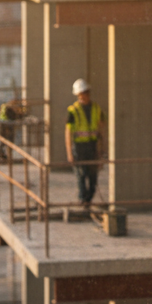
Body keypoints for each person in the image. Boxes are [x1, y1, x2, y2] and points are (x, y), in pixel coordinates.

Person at [64, 78, 105, 208]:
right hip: (79, 147)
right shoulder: (73, 111)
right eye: (80, 94)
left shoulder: (96, 109)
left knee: (93, 175)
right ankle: (83, 201)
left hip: (92, 146)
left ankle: (88, 199)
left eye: (85, 93)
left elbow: (101, 129)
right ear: (77, 95)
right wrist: (69, 153)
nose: (83, 96)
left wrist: (101, 150)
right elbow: (68, 133)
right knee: (81, 174)